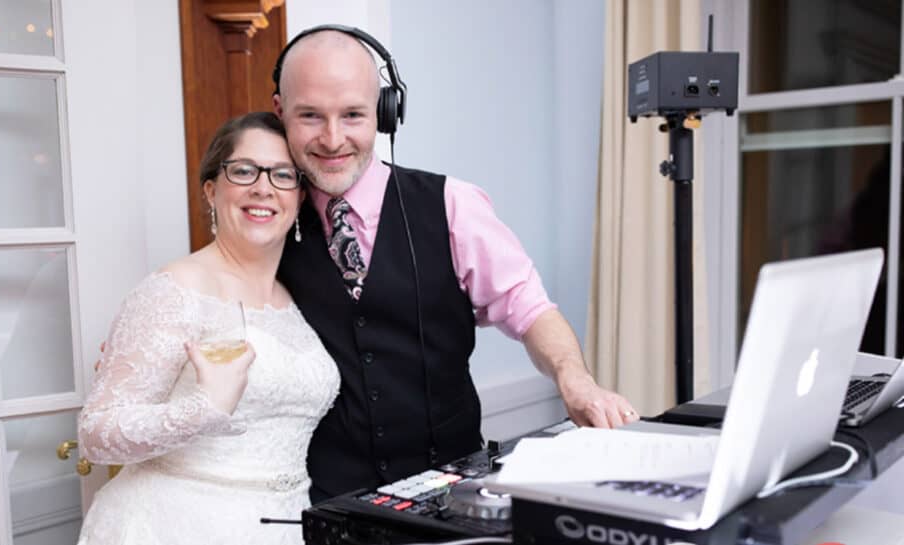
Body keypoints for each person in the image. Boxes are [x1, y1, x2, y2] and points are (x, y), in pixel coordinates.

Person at [273, 27, 640, 502]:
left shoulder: (453, 205)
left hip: (449, 496)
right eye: (310, 117)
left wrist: (575, 379)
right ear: (280, 113)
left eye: (353, 115)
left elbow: (528, 308)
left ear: (385, 112)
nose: (333, 137)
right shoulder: (269, 222)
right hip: (326, 502)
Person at [76, 112, 339, 545]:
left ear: (299, 197)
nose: (263, 187)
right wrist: (203, 410)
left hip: (283, 524)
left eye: (282, 175)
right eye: (243, 171)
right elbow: (96, 433)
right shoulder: (175, 289)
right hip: (174, 525)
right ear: (211, 190)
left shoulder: (294, 299)